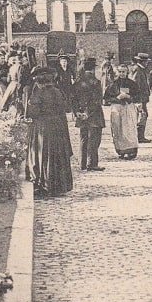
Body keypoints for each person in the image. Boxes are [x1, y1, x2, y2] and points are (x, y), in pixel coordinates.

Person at [25, 67, 74, 198]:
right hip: (58, 127)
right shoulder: (58, 92)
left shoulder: (38, 93)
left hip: (43, 127)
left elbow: (33, 113)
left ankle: (43, 183)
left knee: (44, 153)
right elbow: (64, 108)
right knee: (57, 153)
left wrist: (29, 105)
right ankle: (58, 185)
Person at [71, 58, 106, 171]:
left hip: (81, 115)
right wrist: (88, 113)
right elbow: (97, 101)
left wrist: (77, 112)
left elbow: (73, 99)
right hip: (94, 115)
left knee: (83, 138)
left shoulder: (77, 82)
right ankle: (92, 163)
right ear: (93, 68)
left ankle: (82, 163)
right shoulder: (96, 82)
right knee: (94, 139)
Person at [103, 64, 142, 160]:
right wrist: (117, 98)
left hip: (128, 108)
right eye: (120, 72)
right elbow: (106, 98)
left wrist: (129, 97)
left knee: (129, 129)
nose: (122, 74)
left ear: (127, 72)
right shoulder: (113, 84)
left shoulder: (132, 84)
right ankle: (120, 150)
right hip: (117, 108)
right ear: (117, 72)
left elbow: (138, 96)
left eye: (123, 72)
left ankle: (131, 150)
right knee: (118, 129)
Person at [130, 53, 151, 143]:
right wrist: (137, 99)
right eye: (146, 61)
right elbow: (135, 85)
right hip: (140, 98)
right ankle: (139, 136)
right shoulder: (138, 70)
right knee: (142, 115)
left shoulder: (140, 69)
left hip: (142, 98)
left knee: (142, 115)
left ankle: (139, 136)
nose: (147, 63)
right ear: (142, 62)